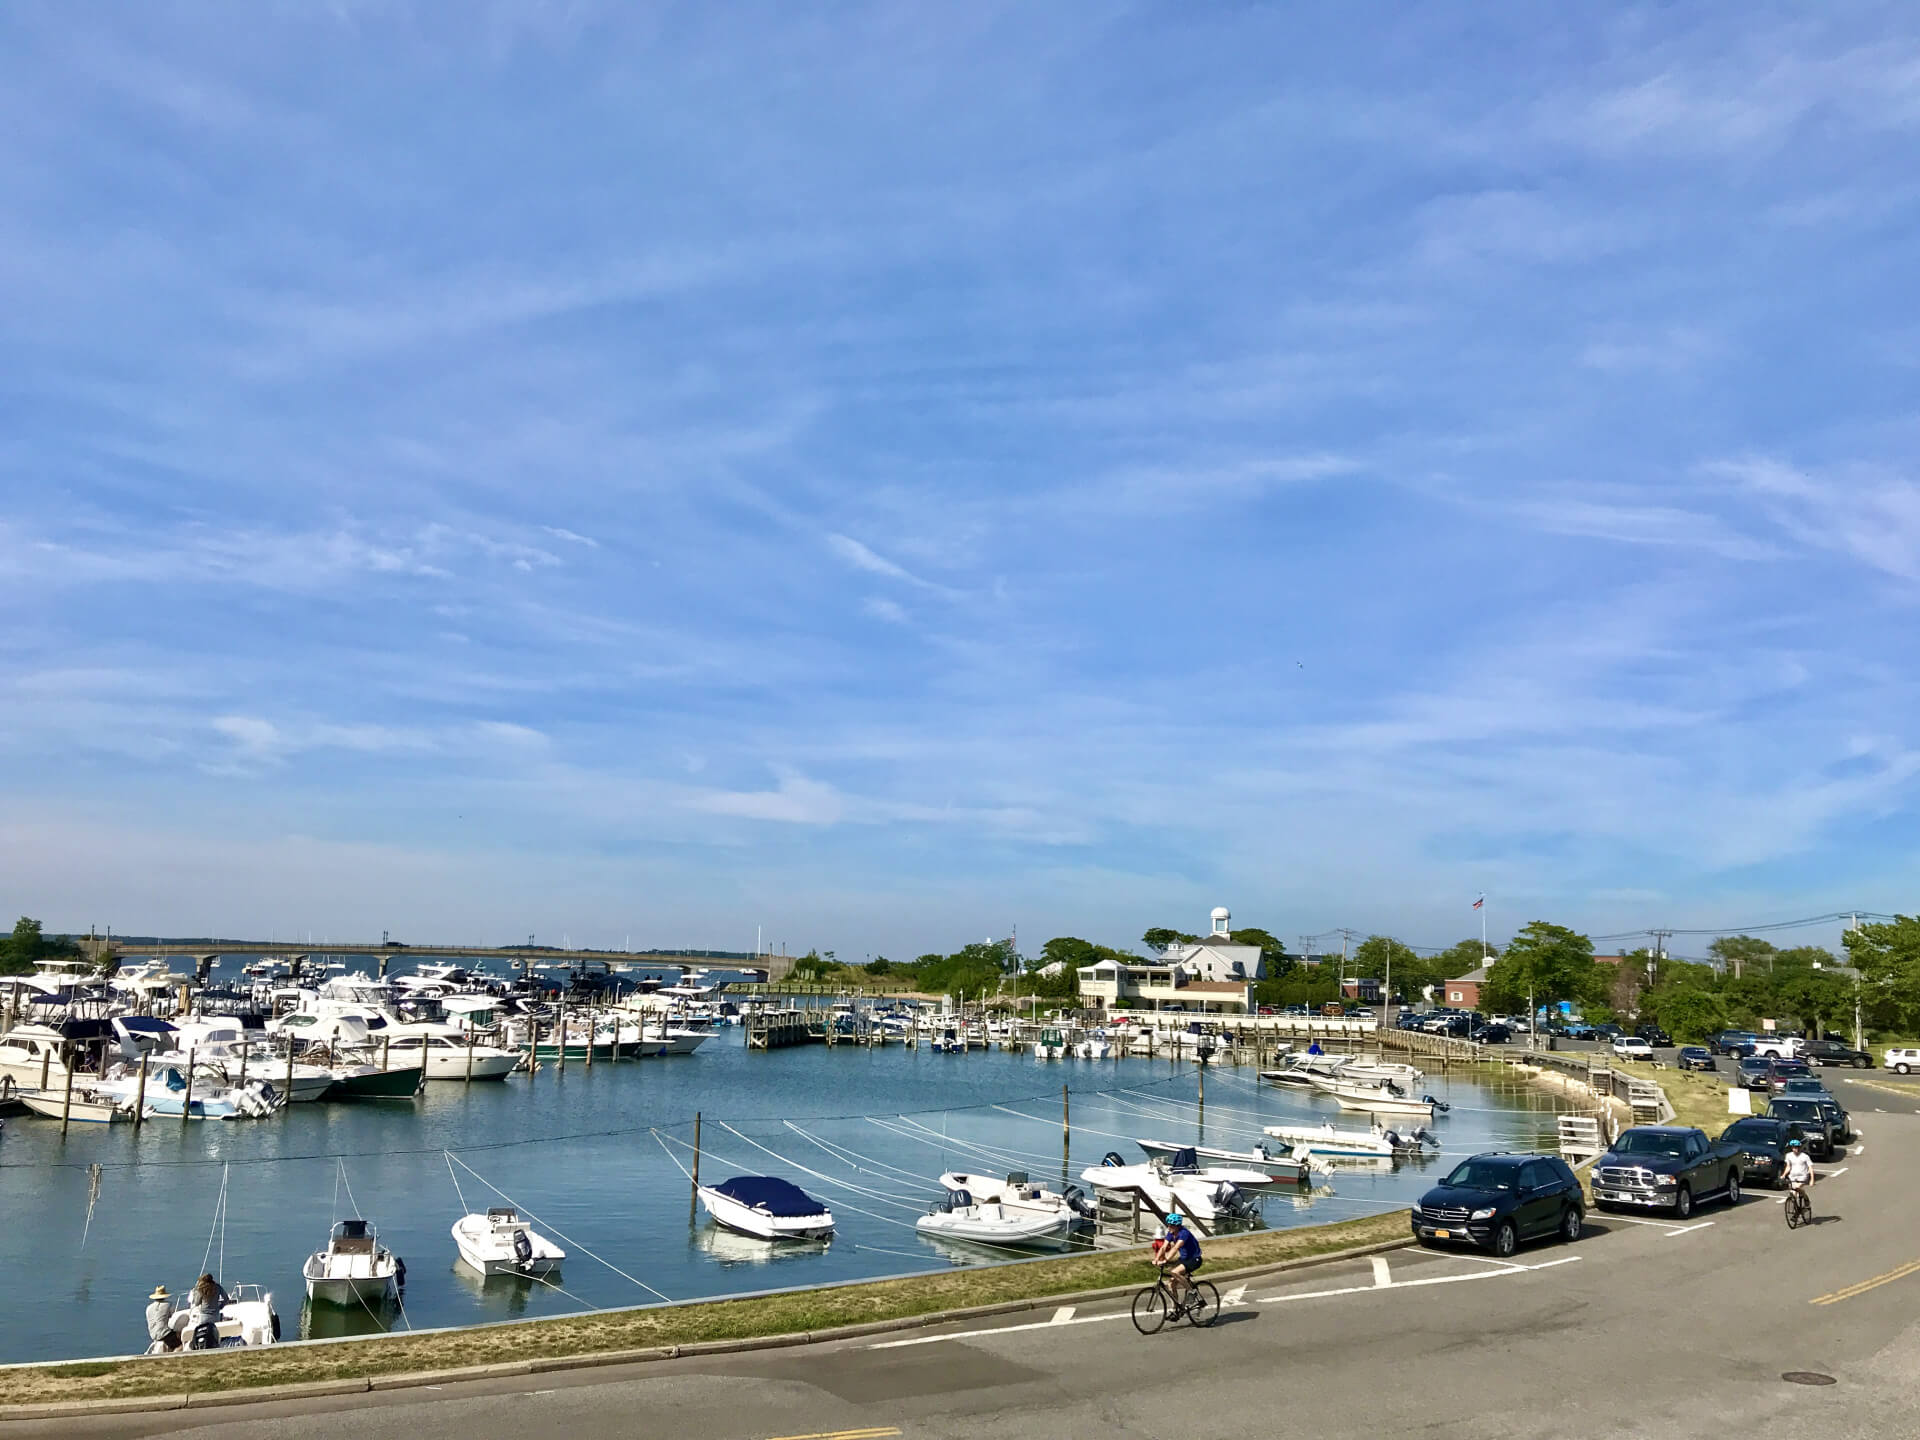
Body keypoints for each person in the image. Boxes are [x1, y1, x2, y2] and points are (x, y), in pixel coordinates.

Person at [1152, 1211, 1203, 1307]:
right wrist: (1156, 1259)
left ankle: (1192, 1292)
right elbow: (1163, 1247)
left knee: (1175, 1272)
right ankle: (1175, 1308)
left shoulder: (1184, 1233)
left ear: (1177, 1226)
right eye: (1168, 1225)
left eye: (1171, 1226)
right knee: (1171, 1284)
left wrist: (1165, 1260)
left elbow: (1175, 1248)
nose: (1168, 1227)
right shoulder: (1171, 1233)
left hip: (1194, 1259)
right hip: (1183, 1259)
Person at [187, 1274, 228, 1350]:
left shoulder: (201, 1289)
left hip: (204, 1316)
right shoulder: (217, 1287)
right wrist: (220, 1306)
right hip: (216, 1315)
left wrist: (195, 1293)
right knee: (214, 1333)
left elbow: (196, 1303)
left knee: (204, 1333)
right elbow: (226, 1298)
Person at [145, 1285, 179, 1353]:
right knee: (180, 1342)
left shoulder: (148, 1308)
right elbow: (173, 1318)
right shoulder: (168, 1305)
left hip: (153, 1335)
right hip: (165, 1335)